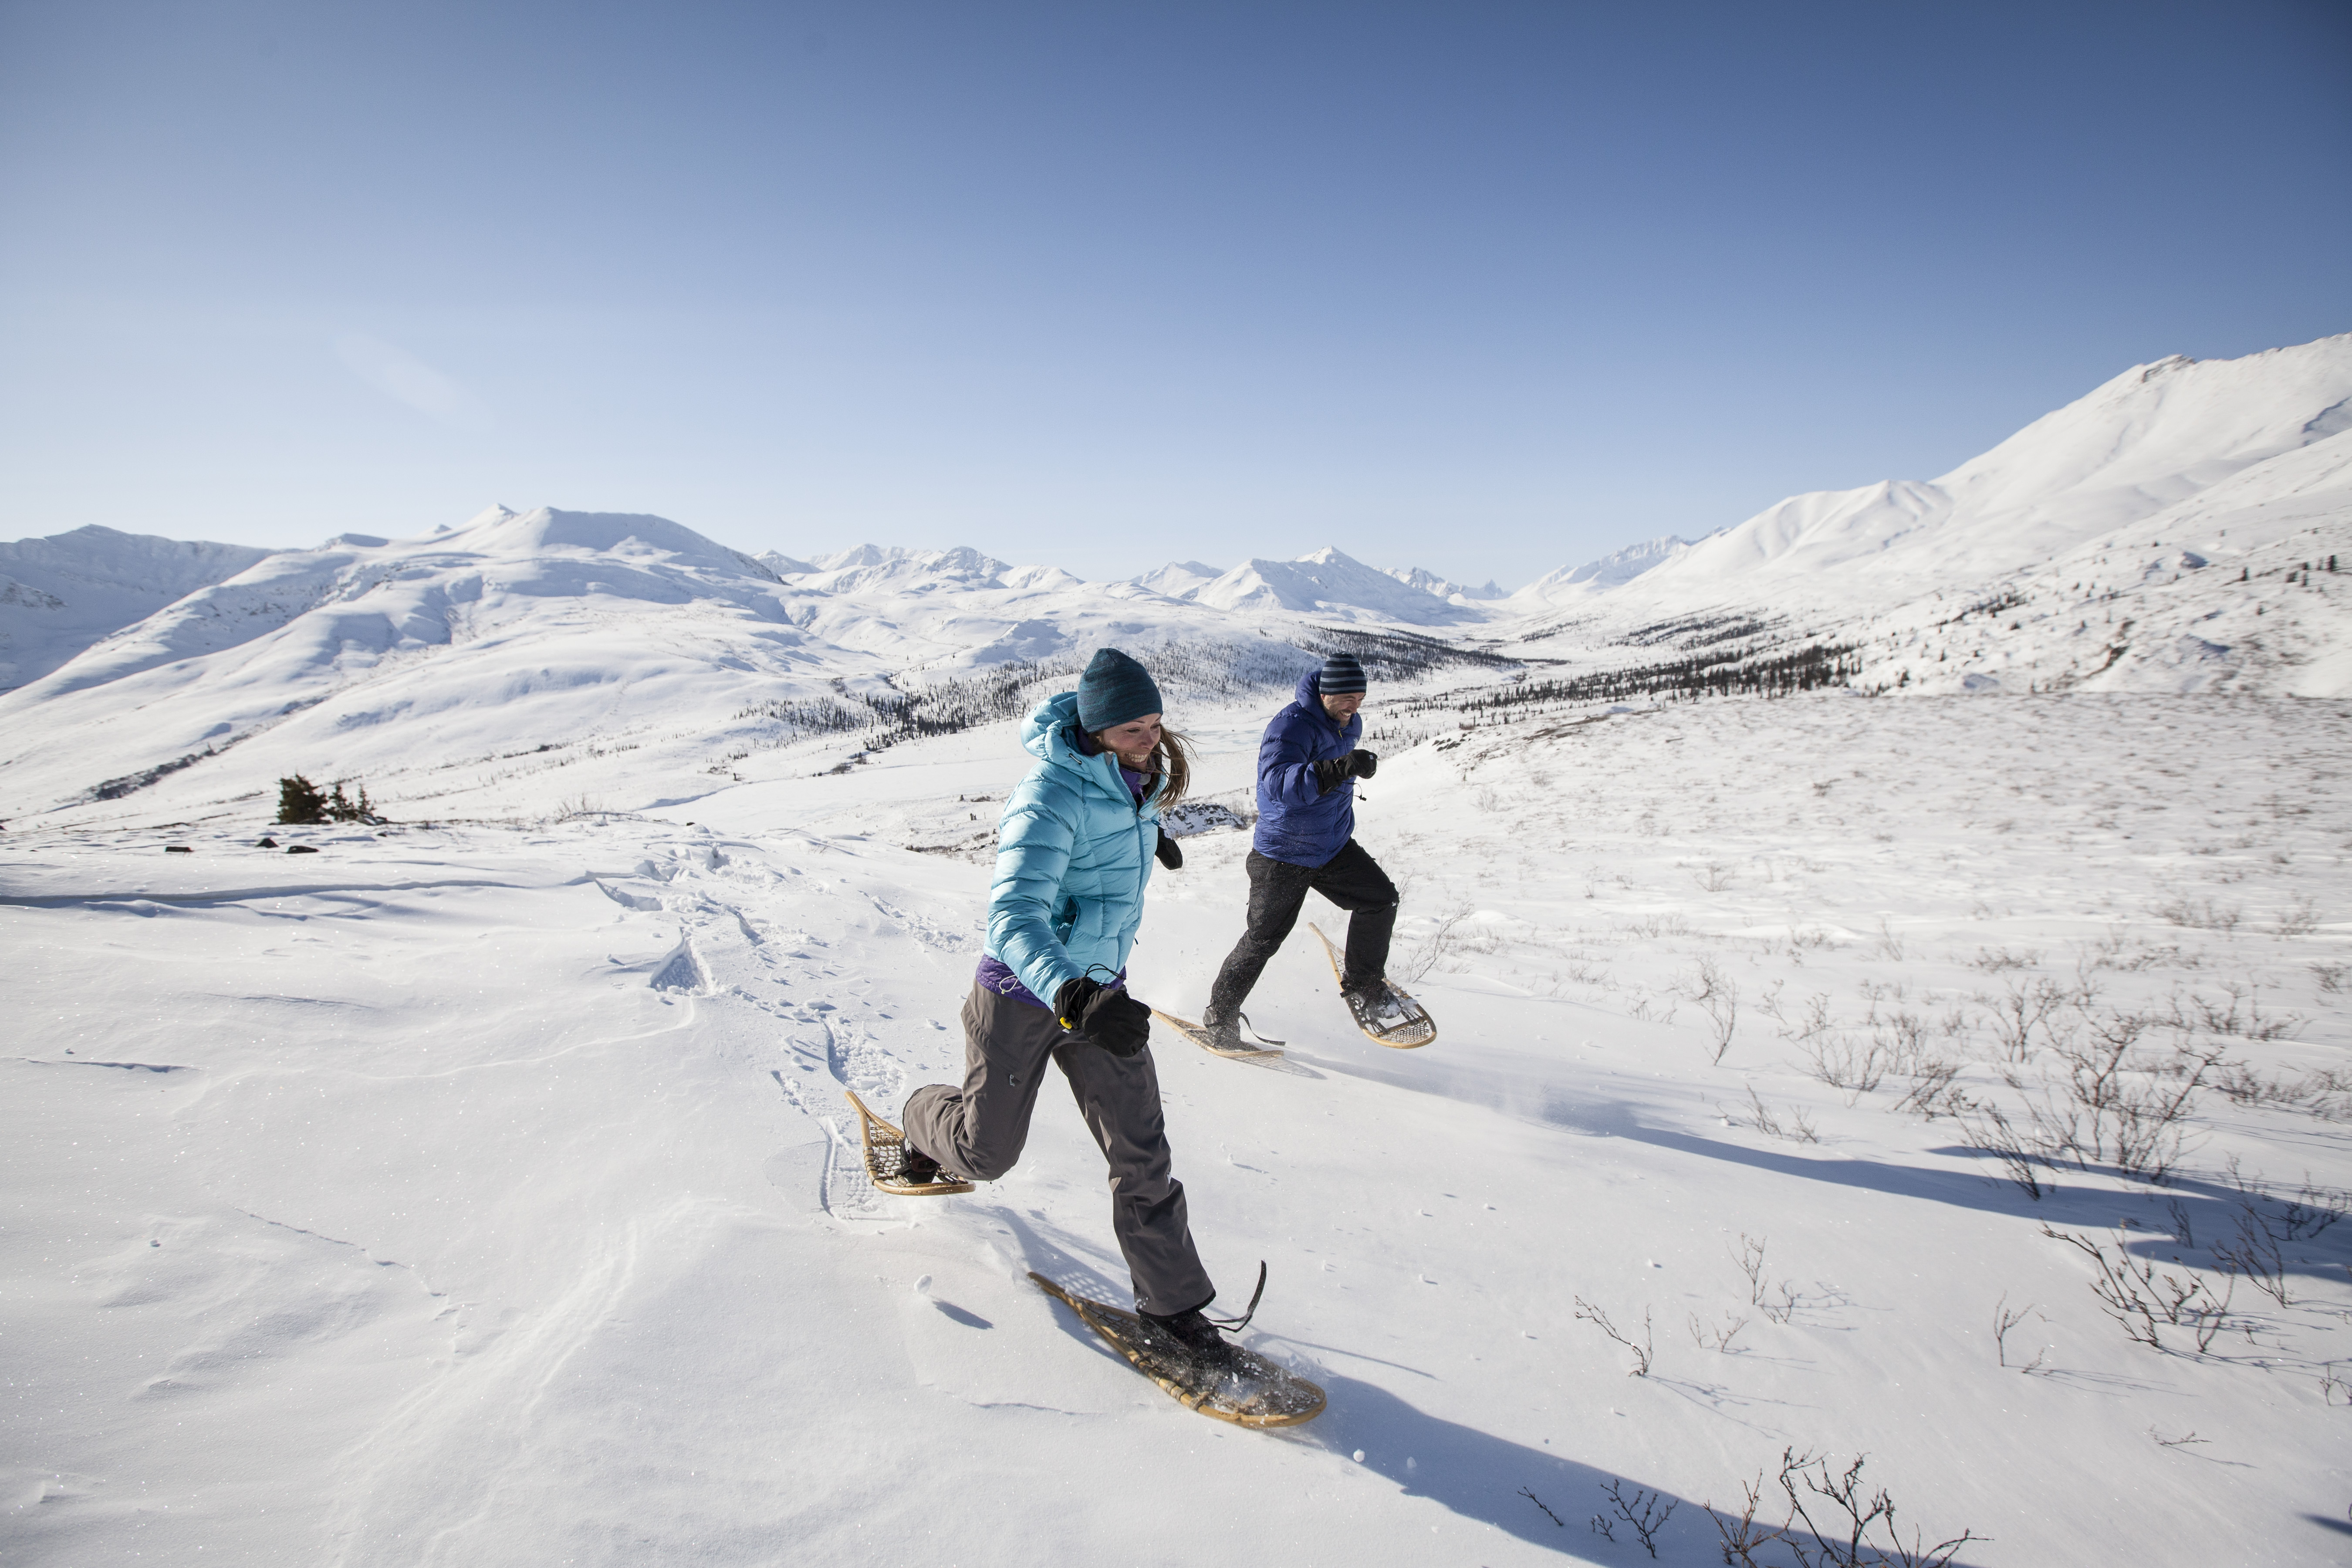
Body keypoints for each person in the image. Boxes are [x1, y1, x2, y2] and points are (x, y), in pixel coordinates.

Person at [899, 647, 1237, 1366]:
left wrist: (1153, 842)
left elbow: (1106, 838)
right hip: (1025, 997)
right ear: (1096, 730)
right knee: (984, 1156)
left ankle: (1175, 1311)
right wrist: (1072, 993)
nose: (1151, 737)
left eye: (1155, 722)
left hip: (1100, 999)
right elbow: (1014, 916)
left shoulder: (1136, 778)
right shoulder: (1048, 795)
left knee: (1142, 1155)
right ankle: (922, 1117)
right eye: (1133, 728)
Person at [1201, 653, 1397, 1048]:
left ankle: (1363, 984)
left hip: (1330, 845)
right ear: (1324, 692)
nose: (1353, 705)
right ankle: (1219, 1018)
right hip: (1284, 854)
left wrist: (1349, 765)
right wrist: (1338, 769)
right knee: (1264, 939)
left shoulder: (1348, 722)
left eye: (1359, 697)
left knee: (1380, 899)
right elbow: (1277, 784)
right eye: (1345, 697)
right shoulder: (1290, 725)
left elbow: (1335, 766)